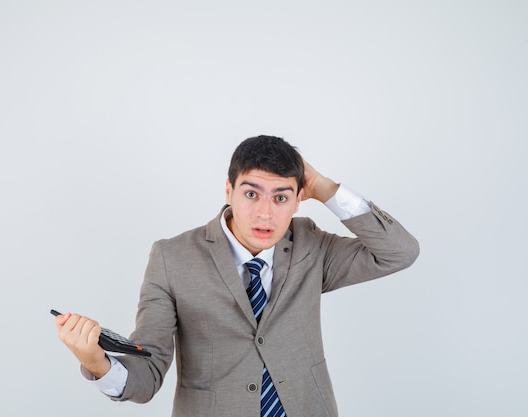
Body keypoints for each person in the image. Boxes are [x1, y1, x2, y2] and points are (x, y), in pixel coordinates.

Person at [54, 135, 419, 417]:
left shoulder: (311, 245)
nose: (265, 214)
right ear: (229, 190)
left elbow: (399, 252)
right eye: (251, 194)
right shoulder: (172, 257)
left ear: (297, 200)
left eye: (280, 198)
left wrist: (325, 188)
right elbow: (147, 377)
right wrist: (96, 362)